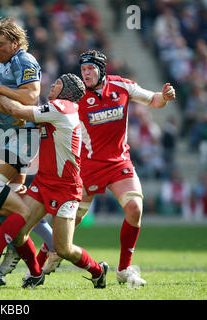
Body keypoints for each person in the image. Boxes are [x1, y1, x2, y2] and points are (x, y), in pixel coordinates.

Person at [0, 73, 108, 289]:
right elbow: (24, 117)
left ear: (66, 91)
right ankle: (31, 272)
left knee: (63, 248)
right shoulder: (57, 109)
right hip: (44, 183)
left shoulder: (61, 107)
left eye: (57, 83)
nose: (52, 85)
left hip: (66, 188)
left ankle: (98, 270)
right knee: (18, 231)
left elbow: (17, 111)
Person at [75, 50, 176, 286]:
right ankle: (42, 262)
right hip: (88, 164)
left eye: (90, 69)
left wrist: (165, 96)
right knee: (70, 219)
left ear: (101, 70)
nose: (86, 74)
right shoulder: (76, 94)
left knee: (134, 208)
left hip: (119, 162)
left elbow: (154, 100)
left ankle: (124, 269)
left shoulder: (122, 86)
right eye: (83, 70)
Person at [0, 16, 56, 275]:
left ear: (16, 42)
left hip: (22, 136)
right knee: (17, 199)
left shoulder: (24, 60)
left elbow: (31, 96)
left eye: (0, 44)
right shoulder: (5, 63)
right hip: (5, 135)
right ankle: (49, 247)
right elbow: (4, 93)